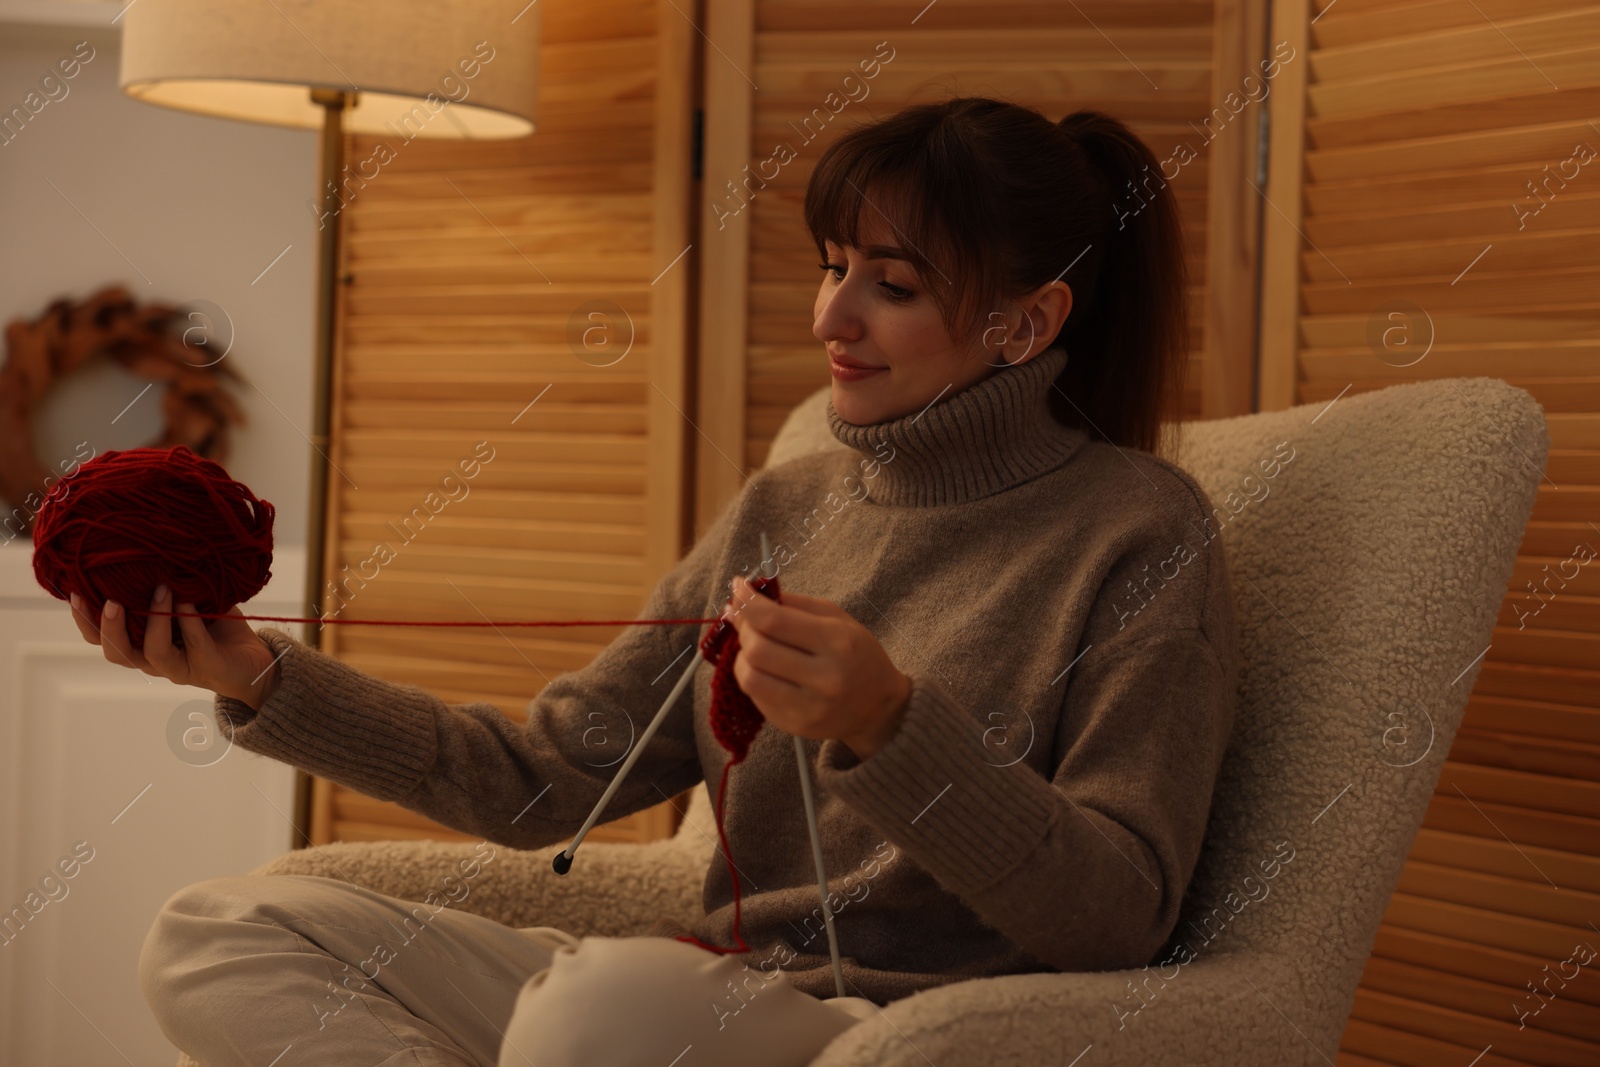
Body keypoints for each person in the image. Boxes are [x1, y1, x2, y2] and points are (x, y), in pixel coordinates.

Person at [69, 96, 1240, 1067]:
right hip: (704, 1001)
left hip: (904, 1030)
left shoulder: (1138, 531)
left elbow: (1116, 917)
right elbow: (546, 778)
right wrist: (263, 676)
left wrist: (890, 724)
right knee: (219, 930)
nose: (831, 314)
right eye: (834, 267)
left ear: (1024, 323)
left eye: (892, 284)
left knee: (602, 1011)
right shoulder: (790, 501)